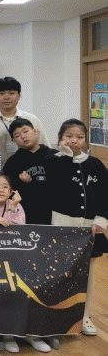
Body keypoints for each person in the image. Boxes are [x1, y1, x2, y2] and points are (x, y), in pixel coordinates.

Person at [0, 173, 52, 353]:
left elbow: (20, 230)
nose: (1, 190)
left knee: (29, 289)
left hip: (16, 259)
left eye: (5, 187)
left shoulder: (17, 206)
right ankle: (7, 334)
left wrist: (14, 206)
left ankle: (31, 334)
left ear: (11, 191)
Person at [44, 119, 108, 336]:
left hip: (90, 230)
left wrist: (102, 219)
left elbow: (105, 194)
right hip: (61, 227)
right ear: (60, 138)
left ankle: (85, 316)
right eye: (69, 136)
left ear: (86, 140)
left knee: (88, 274)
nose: (74, 141)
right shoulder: (53, 160)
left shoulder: (95, 164)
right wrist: (64, 155)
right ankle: (57, 315)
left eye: (79, 137)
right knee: (60, 272)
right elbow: (53, 178)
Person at [0, 77, 50, 166]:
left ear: (19, 96)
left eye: (11, 93)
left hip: (28, 171)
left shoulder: (32, 120)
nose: (6, 97)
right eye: (1, 93)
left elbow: (45, 149)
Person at [3, 118, 58, 225]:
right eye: (17, 136)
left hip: (54, 212)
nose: (23, 136)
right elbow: (9, 191)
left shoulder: (54, 155)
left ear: (35, 131)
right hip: (26, 214)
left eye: (25, 131)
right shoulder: (12, 162)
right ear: (14, 140)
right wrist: (21, 182)